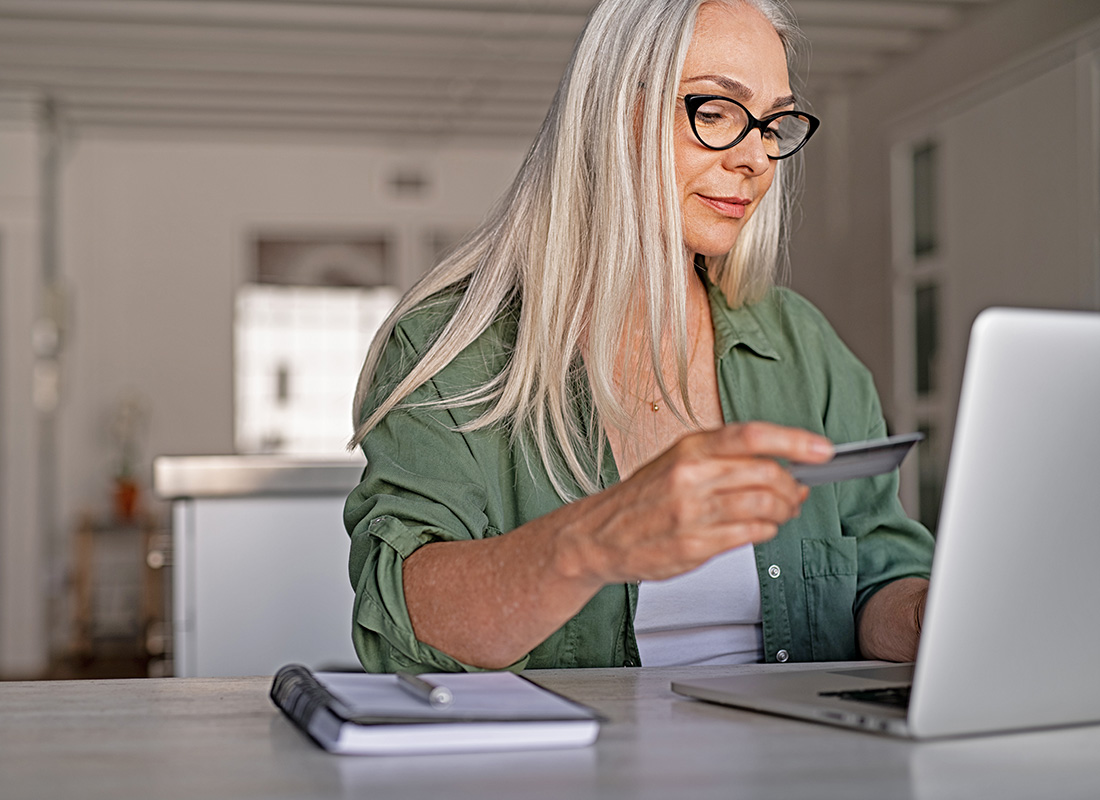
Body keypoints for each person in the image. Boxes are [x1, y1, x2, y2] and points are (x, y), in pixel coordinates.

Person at [344, 0, 934, 673]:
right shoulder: (449, 349)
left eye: (773, 123)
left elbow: (878, 579)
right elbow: (405, 632)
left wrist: (935, 618)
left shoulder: (803, 345)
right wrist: (598, 539)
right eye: (714, 112)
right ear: (609, 114)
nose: (756, 159)